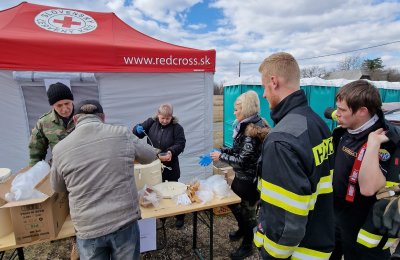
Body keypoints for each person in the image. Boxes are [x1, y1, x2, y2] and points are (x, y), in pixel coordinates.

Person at [50, 100, 158, 260]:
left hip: (88, 227)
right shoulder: (122, 134)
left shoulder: (59, 148)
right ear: (103, 117)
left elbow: (57, 187)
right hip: (124, 221)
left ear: (75, 119)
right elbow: (149, 156)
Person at [255, 52, 335, 259]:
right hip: (319, 241)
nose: (263, 94)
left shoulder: (281, 139)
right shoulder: (317, 123)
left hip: (296, 252)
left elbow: (286, 220)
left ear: (274, 82)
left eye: (263, 86)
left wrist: (271, 255)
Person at [330, 80, 400, 260]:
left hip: (364, 229)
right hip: (337, 217)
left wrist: (372, 145)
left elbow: (369, 188)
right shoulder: (348, 128)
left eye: (342, 110)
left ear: (362, 111)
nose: (337, 114)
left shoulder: (387, 141)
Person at [210, 90, 269, 259]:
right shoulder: (245, 125)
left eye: (237, 109)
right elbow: (238, 150)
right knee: (235, 206)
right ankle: (242, 229)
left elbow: (242, 160)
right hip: (241, 178)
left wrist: (221, 156)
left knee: (249, 215)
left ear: (247, 109)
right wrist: (222, 150)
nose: (234, 112)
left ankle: (248, 245)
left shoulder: (252, 130)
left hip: (249, 182)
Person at [132, 103, 186, 228]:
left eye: (168, 118)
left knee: (174, 189)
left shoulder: (177, 128)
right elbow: (137, 132)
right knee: (156, 189)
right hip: (153, 164)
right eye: (162, 118)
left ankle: (180, 216)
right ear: (158, 115)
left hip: (170, 163)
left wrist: (171, 151)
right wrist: (137, 128)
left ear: (172, 117)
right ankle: (162, 215)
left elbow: (181, 143)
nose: (165, 121)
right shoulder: (151, 122)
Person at [28, 82, 75, 166]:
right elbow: (35, 154)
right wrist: (34, 172)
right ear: (52, 106)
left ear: (72, 101)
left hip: (83, 168)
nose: (65, 109)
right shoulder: (44, 122)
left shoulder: (84, 117)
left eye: (67, 103)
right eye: (59, 105)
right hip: (59, 169)